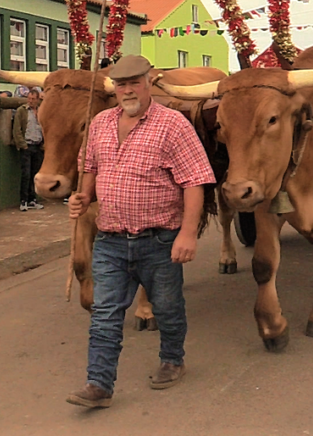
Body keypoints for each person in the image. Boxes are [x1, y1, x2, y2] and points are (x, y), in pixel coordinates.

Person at [66, 55, 215, 409]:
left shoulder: (174, 125)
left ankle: (172, 358)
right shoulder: (100, 123)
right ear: (113, 88)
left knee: (166, 307)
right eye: (121, 84)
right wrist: (83, 196)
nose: (127, 90)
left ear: (149, 82)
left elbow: (195, 182)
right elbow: (90, 166)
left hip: (159, 239)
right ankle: (99, 384)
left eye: (134, 82)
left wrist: (188, 234)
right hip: (111, 239)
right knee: (104, 313)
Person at [13, 89, 45, 212]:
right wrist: (22, 144)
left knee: (35, 174)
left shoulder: (41, 111)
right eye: (29, 98)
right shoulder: (22, 111)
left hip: (38, 145)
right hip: (27, 145)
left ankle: (33, 199)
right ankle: (23, 200)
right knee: (26, 174)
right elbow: (17, 129)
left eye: (33, 99)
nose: (31, 101)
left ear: (37, 99)